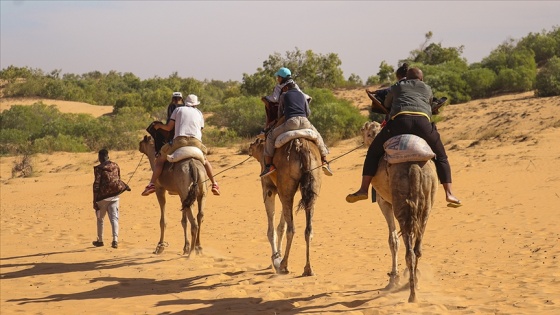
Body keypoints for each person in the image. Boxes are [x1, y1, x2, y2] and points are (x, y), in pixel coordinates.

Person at [346, 67, 462, 207]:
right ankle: (449, 193)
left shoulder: (397, 86)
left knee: (373, 153)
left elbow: (387, 104)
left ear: (406, 78)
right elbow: (430, 105)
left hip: (399, 123)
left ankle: (363, 189)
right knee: (441, 156)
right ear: (421, 79)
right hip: (422, 124)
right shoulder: (427, 88)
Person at [142, 94, 220, 196]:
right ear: (195, 104)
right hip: (196, 142)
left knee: (160, 159)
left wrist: (159, 125)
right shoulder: (199, 113)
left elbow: (169, 128)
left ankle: (151, 184)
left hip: (180, 141)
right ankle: (214, 183)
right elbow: (200, 129)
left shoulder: (178, 110)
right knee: (205, 160)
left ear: (185, 101)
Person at [260, 81, 333, 177]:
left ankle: (269, 166)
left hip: (291, 122)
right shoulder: (302, 95)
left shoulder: (284, 95)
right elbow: (308, 112)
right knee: (318, 136)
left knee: (270, 137)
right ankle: (324, 161)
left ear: (286, 88)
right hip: (304, 122)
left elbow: (280, 113)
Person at [92, 149, 130, 249]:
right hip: (115, 197)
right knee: (114, 219)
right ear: (108, 156)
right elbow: (118, 179)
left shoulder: (99, 169)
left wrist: (94, 201)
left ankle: (100, 240)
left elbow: (96, 185)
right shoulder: (115, 165)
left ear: (100, 157)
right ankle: (115, 240)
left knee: (100, 219)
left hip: (102, 199)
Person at [260, 67, 311, 137]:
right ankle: (324, 148)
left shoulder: (280, 88)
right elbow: (308, 111)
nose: (277, 79)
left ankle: (266, 129)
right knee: (317, 137)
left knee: (270, 137)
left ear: (282, 78)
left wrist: (265, 98)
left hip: (289, 118)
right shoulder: (297, 87)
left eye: (278, 77)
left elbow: (275, 99)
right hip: (304, 119)